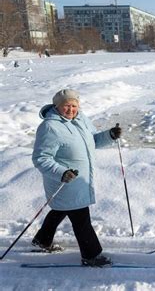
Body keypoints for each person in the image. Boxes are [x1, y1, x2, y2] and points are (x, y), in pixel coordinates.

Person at [32, 89, 122, 267]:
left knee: (61, 209)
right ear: (57, 106)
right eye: (66, 105)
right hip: (64, 180)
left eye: (74, 105)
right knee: (80, 217)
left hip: (80, 179)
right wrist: (61, 172)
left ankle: (42, 239)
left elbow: (93, 141)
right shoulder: (50, 126)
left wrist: (110, 135)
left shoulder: (81, 120)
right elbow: (41, 158)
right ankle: (91, 255)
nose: (71, 109)